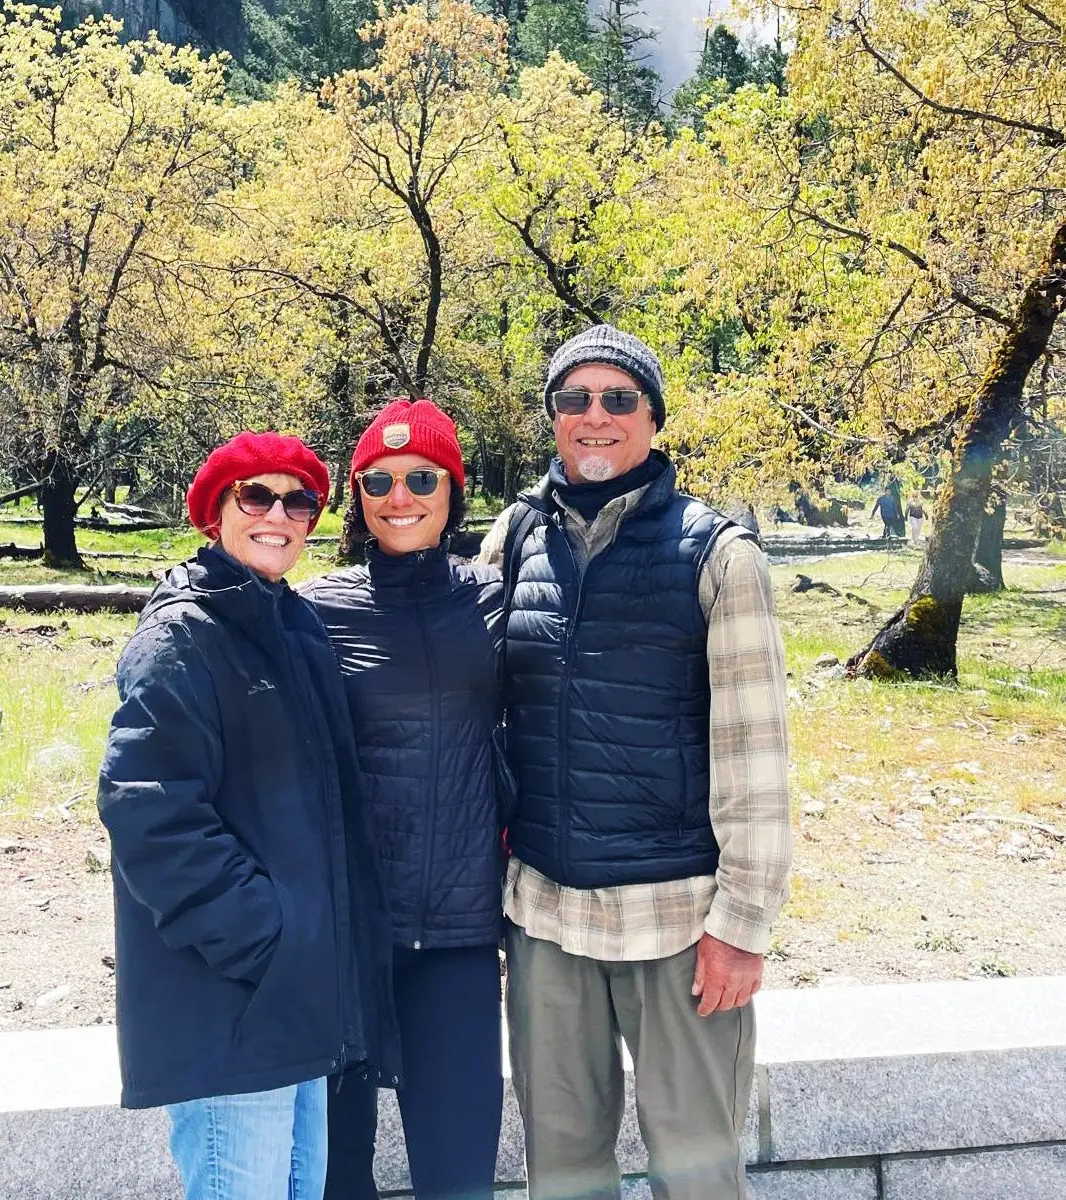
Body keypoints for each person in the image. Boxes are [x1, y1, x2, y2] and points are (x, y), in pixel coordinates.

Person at [478, 325, 792, 1200]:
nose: (595, 417)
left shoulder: (717, 552)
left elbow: (756, 750)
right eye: (574, 399)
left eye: (620, 398)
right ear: (551, 418)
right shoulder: (512, 539)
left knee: (697, 1171)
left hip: (680, 924)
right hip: (545, 918)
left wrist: (744, 923)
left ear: (653, 417)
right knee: (564, 1171)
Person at [97, 431, 396, 1200]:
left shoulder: (292, 628)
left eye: (298, 500)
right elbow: (150, 814)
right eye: (255, 496)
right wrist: (269, 939)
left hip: (295, 999)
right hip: (238, 999)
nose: (279, 514)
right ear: (213, 513)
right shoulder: (182, 637)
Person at [303, 398, 506, 1200]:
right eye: (378, 480)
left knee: (458, 1181)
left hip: (457, 939)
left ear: (453, 489)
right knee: (334, 1177)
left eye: (422, 477)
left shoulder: (495, 600)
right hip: (350, 940)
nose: (400, 495)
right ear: (357, 495)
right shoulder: (315, 611)